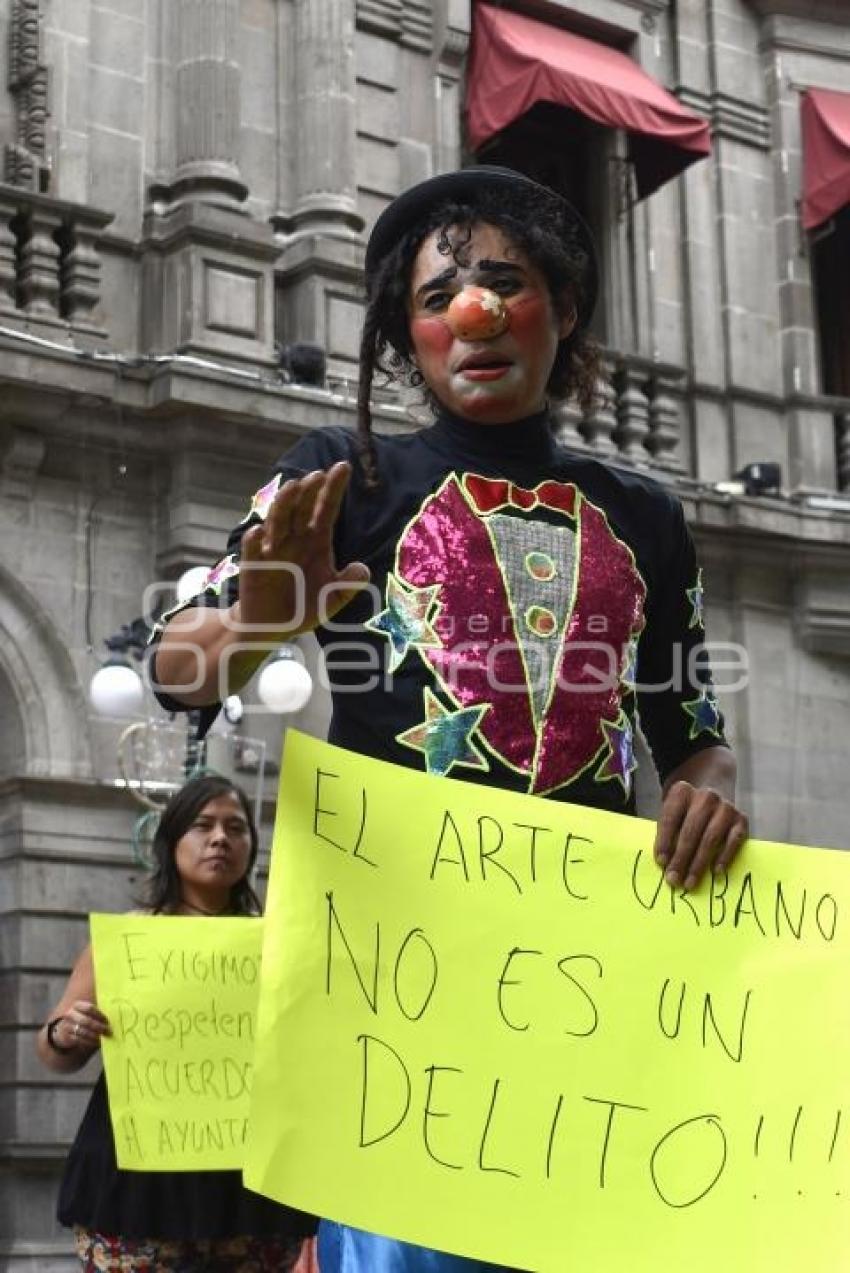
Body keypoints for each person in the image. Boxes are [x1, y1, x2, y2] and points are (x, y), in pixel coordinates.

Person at [150, 166, 749, 1271]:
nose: (470, 313)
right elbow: (180, 667)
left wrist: (705, 797)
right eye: (435, 298)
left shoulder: (648, 517)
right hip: (398, 986)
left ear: (561, 311)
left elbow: (693, 732)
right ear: (405, 336)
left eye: (502, 282)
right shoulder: (340, 474)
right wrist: (263, 620)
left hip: (588, 974)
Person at [37, 773, 316, 1272]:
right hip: (139, 1183)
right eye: (203, 825)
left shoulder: (283, 946)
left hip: (247, 1186)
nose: (220, 839)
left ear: (251, 847)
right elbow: (54, 1051)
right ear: (171, 843)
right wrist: (65, 1032)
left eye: (236, 828)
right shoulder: (127, 940)